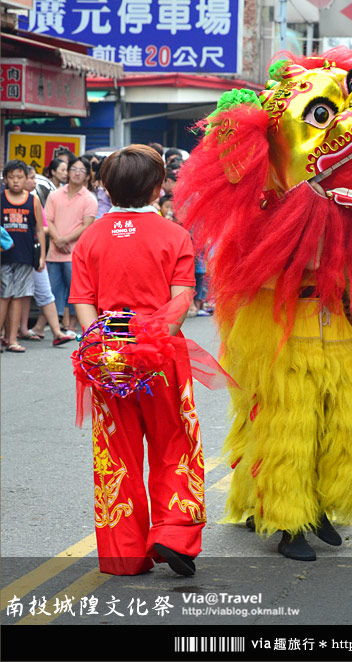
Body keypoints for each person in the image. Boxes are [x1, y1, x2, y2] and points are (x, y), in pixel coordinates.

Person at [174, 49, 352, 561]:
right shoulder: (266, 203)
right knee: (290, 424)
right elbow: (249, 274)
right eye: (326, 114)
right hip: (285, 329)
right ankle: (289, 522)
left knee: (350, 421)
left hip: (339, 325)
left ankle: (324, 505)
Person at [69, 144, 205, 576]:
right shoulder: (173, 235)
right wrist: (153, 345)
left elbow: (84, 303)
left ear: (106, 187)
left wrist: (105, 348)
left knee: (116, 453)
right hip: (161, 356)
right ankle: (173, 532)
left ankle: (125, 553)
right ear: (156, 189)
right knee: (174, 445)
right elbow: (181, 300)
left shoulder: (90, 237)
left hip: (108, 355)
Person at [17, 167, 72, 347]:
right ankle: (16, 331)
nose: (34, 182)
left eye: (33, 178)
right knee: (15, 295)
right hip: (13, 254)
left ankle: (56, 332)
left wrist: (40, 254)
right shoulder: (5, 200)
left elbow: (43, 227)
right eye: (31, 178)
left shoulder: (34, 201)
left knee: (44, 292)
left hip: (32, 252)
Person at [45, 157, 97, 338]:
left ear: (86, 176)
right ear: (67, 172)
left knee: (76, 291)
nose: (76, 173)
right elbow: (47, 220)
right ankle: (55, 326)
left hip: (75, 253)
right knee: (52, 290)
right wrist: (58, 239)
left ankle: (73, 325)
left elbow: (87, 225)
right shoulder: (55, 194)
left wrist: (65, 239)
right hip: (53, 251)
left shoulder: (89, 198)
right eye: (73, 169)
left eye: (81, 170)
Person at [0, 160, 46, 353]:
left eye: (20, 177)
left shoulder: (33, 200)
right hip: (4, 256)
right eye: (11, 177)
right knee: (3, 296)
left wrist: (42, 255)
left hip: (25, 256)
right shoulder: (1, 198)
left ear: (26, 178)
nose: (16, 181)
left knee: (18, 297)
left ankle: (12, 340)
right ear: (6, 179)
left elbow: (39, 230)